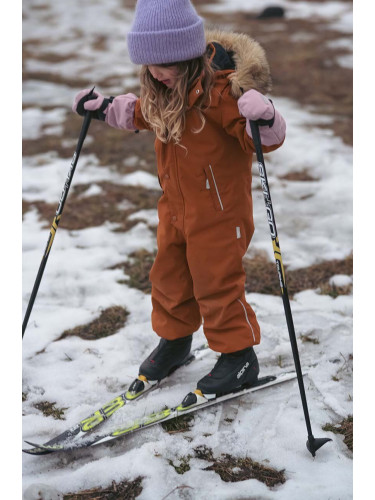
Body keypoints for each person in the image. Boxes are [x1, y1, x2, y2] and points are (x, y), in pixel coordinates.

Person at [73, 0, 286, 397]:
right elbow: (139, 112)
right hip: (175, 209)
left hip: (221, 214)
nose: (156, 73)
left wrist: (266, 118)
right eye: (149, 65)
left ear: (188, 55)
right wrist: (103, 108)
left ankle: (239, 356)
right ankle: (175, 341)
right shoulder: (162, 90)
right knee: (169, 277)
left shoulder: (223, 94)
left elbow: (260, 140)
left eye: (165, 64)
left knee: (216, 282)